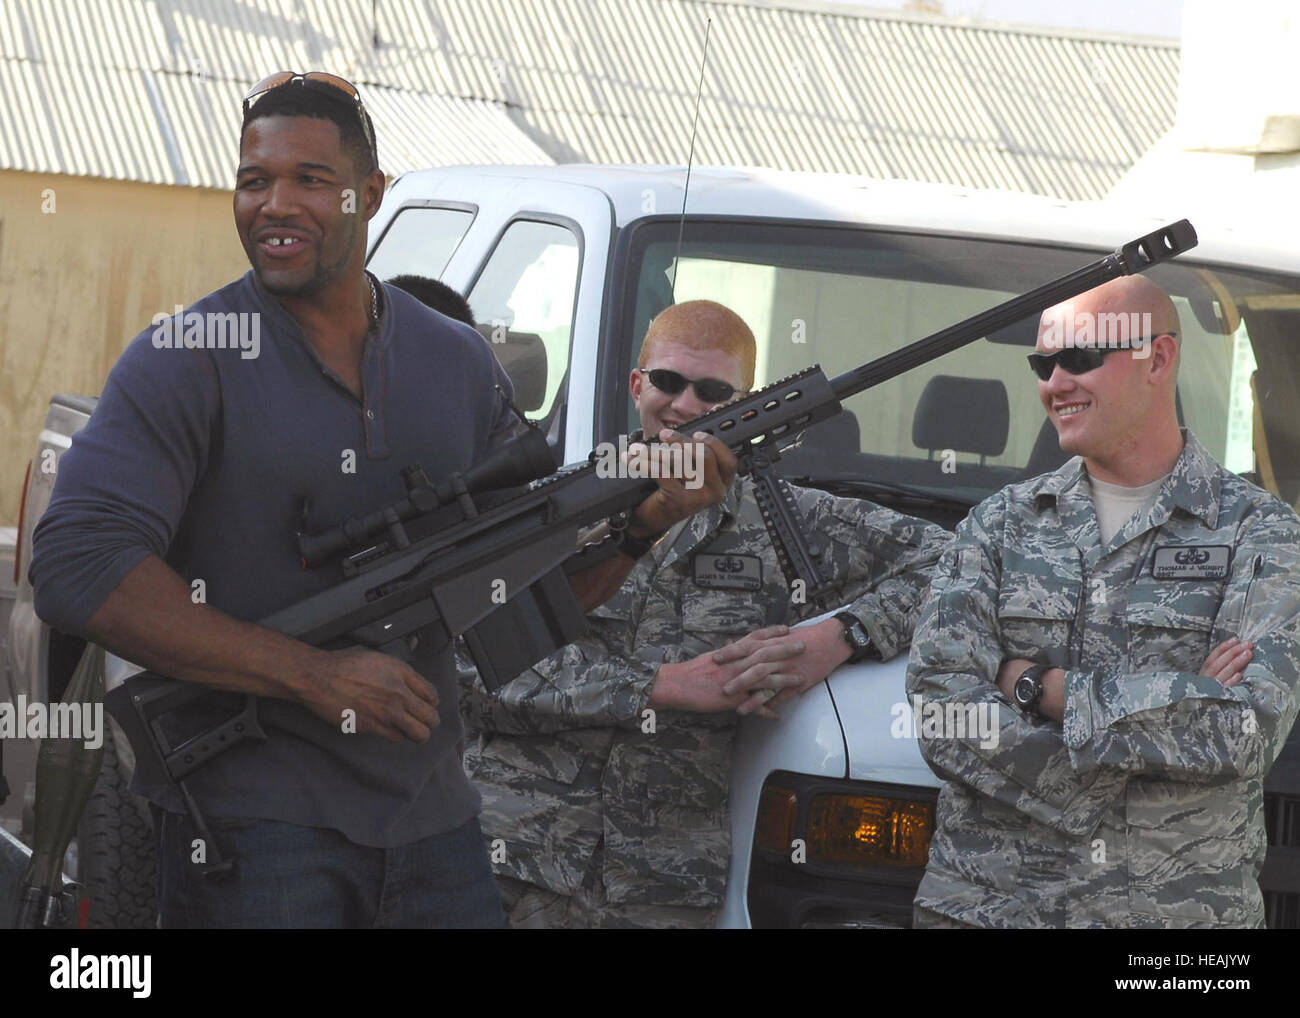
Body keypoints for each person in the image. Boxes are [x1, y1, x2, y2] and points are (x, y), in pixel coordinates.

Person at [29, 72, 733, 929]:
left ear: (370, 195)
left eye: (310, 181)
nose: (275, 204)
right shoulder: (187, 358)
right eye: (255, 181)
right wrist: (311, 676)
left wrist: (643, 524)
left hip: (433, 822)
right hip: (254, 830)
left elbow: (517, 601)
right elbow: (75, 565)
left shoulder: (457, 362)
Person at [461, 299, 950, 928]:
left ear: (745, 405)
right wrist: (661, 688)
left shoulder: (792, 524)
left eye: (713, 391)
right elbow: (470, 673)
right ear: (637, 385)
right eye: (668, 382)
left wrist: (841, 635)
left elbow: (961, 563)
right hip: (510, 866)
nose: (686, 406)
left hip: (661, 890)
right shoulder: (550, 512)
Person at [907, 276, 1300, 928]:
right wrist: (1168, 712)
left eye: (1081, 358)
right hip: (987, 910)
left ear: (1160, 358)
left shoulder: (1263, 534)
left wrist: (1038, 687)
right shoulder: (998, 525)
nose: (1054, 382)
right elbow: (940, 711)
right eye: (1043, 363)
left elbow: (1244, 728)